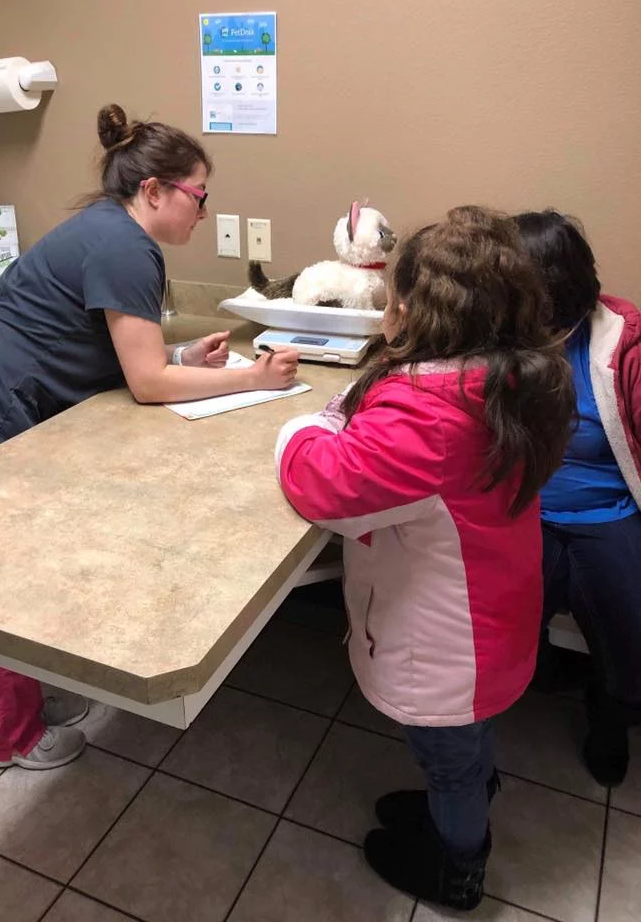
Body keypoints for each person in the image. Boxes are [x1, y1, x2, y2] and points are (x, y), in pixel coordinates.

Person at [0, 103, 299, 771]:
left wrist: (184, 360)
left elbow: (115, 349)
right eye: (199, 196)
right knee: (2, 582)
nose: (203, 213)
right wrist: (256, 380)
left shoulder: (105, 229)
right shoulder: (126, 246)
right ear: (153, 191)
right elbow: (146, 384)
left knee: (25, 565)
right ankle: (5, 738)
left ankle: (31, 698)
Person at [275, 206, 576, 911]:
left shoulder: (428, 415)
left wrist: (307, 421)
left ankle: (457, 868)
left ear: (408, 306)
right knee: (465, 745)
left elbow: (323, 481)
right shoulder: (512, 376)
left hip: (451, 643)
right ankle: (463, 794)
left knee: (449, 754)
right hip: (494, 614)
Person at [515, 209, 641, 787]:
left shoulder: (623, 342)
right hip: (522, 509)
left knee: (627, 638)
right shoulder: (498, 335)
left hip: (608, 511)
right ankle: (534, 673)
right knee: (507, 620)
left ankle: (609, 718)